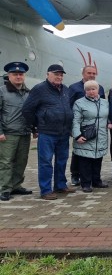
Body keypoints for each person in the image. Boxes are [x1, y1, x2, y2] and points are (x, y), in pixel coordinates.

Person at [22, 64, 75, 200]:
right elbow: (27, 110)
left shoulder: (66, 90)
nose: (59, 77)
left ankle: (60, 185)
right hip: (47, 133)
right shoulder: (39, 89)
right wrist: (36, 125)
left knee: (62, 160)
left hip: (63, 132)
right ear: (48, 74)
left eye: (61, 75)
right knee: (45, 161)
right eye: (56, 74)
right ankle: (46, 190)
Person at [0, 62, 34, 201]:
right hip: (8, 133)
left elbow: (31, 113)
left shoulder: (28, 92)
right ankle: (5, 188)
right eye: (15, 74)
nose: (18, 76)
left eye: (21, 74)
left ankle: (16, 185)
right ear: (9, 76)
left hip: (24, 133)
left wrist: (34, 129)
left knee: (22, 161)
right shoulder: (2, 91)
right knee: (6, 162)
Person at [68, 65, 106, 186]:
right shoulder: (74, 88)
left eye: (94, 73)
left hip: (98, 132)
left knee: (96, 157)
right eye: (89, 73)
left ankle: (96, 180)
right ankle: (77, 176)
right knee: (80, 156)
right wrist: (74, 132)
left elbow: (104, 110)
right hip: (83, 130)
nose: (91, 75)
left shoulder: (101, 90)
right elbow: (70, 110)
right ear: (83, 73)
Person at [72, 80, 110, 193]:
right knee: (85, 161)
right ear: (85, 91)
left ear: (98, 90)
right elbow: (75, 120)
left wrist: (110, 123)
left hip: (101, 136)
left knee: (98, 159)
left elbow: (107, 116)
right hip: (86, 136)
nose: (91, 91)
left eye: (93, 89)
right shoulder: (79, 103)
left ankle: (96, 180)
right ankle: (86, 183)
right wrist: (77, 135)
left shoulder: (105, 102)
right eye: (88, 89)